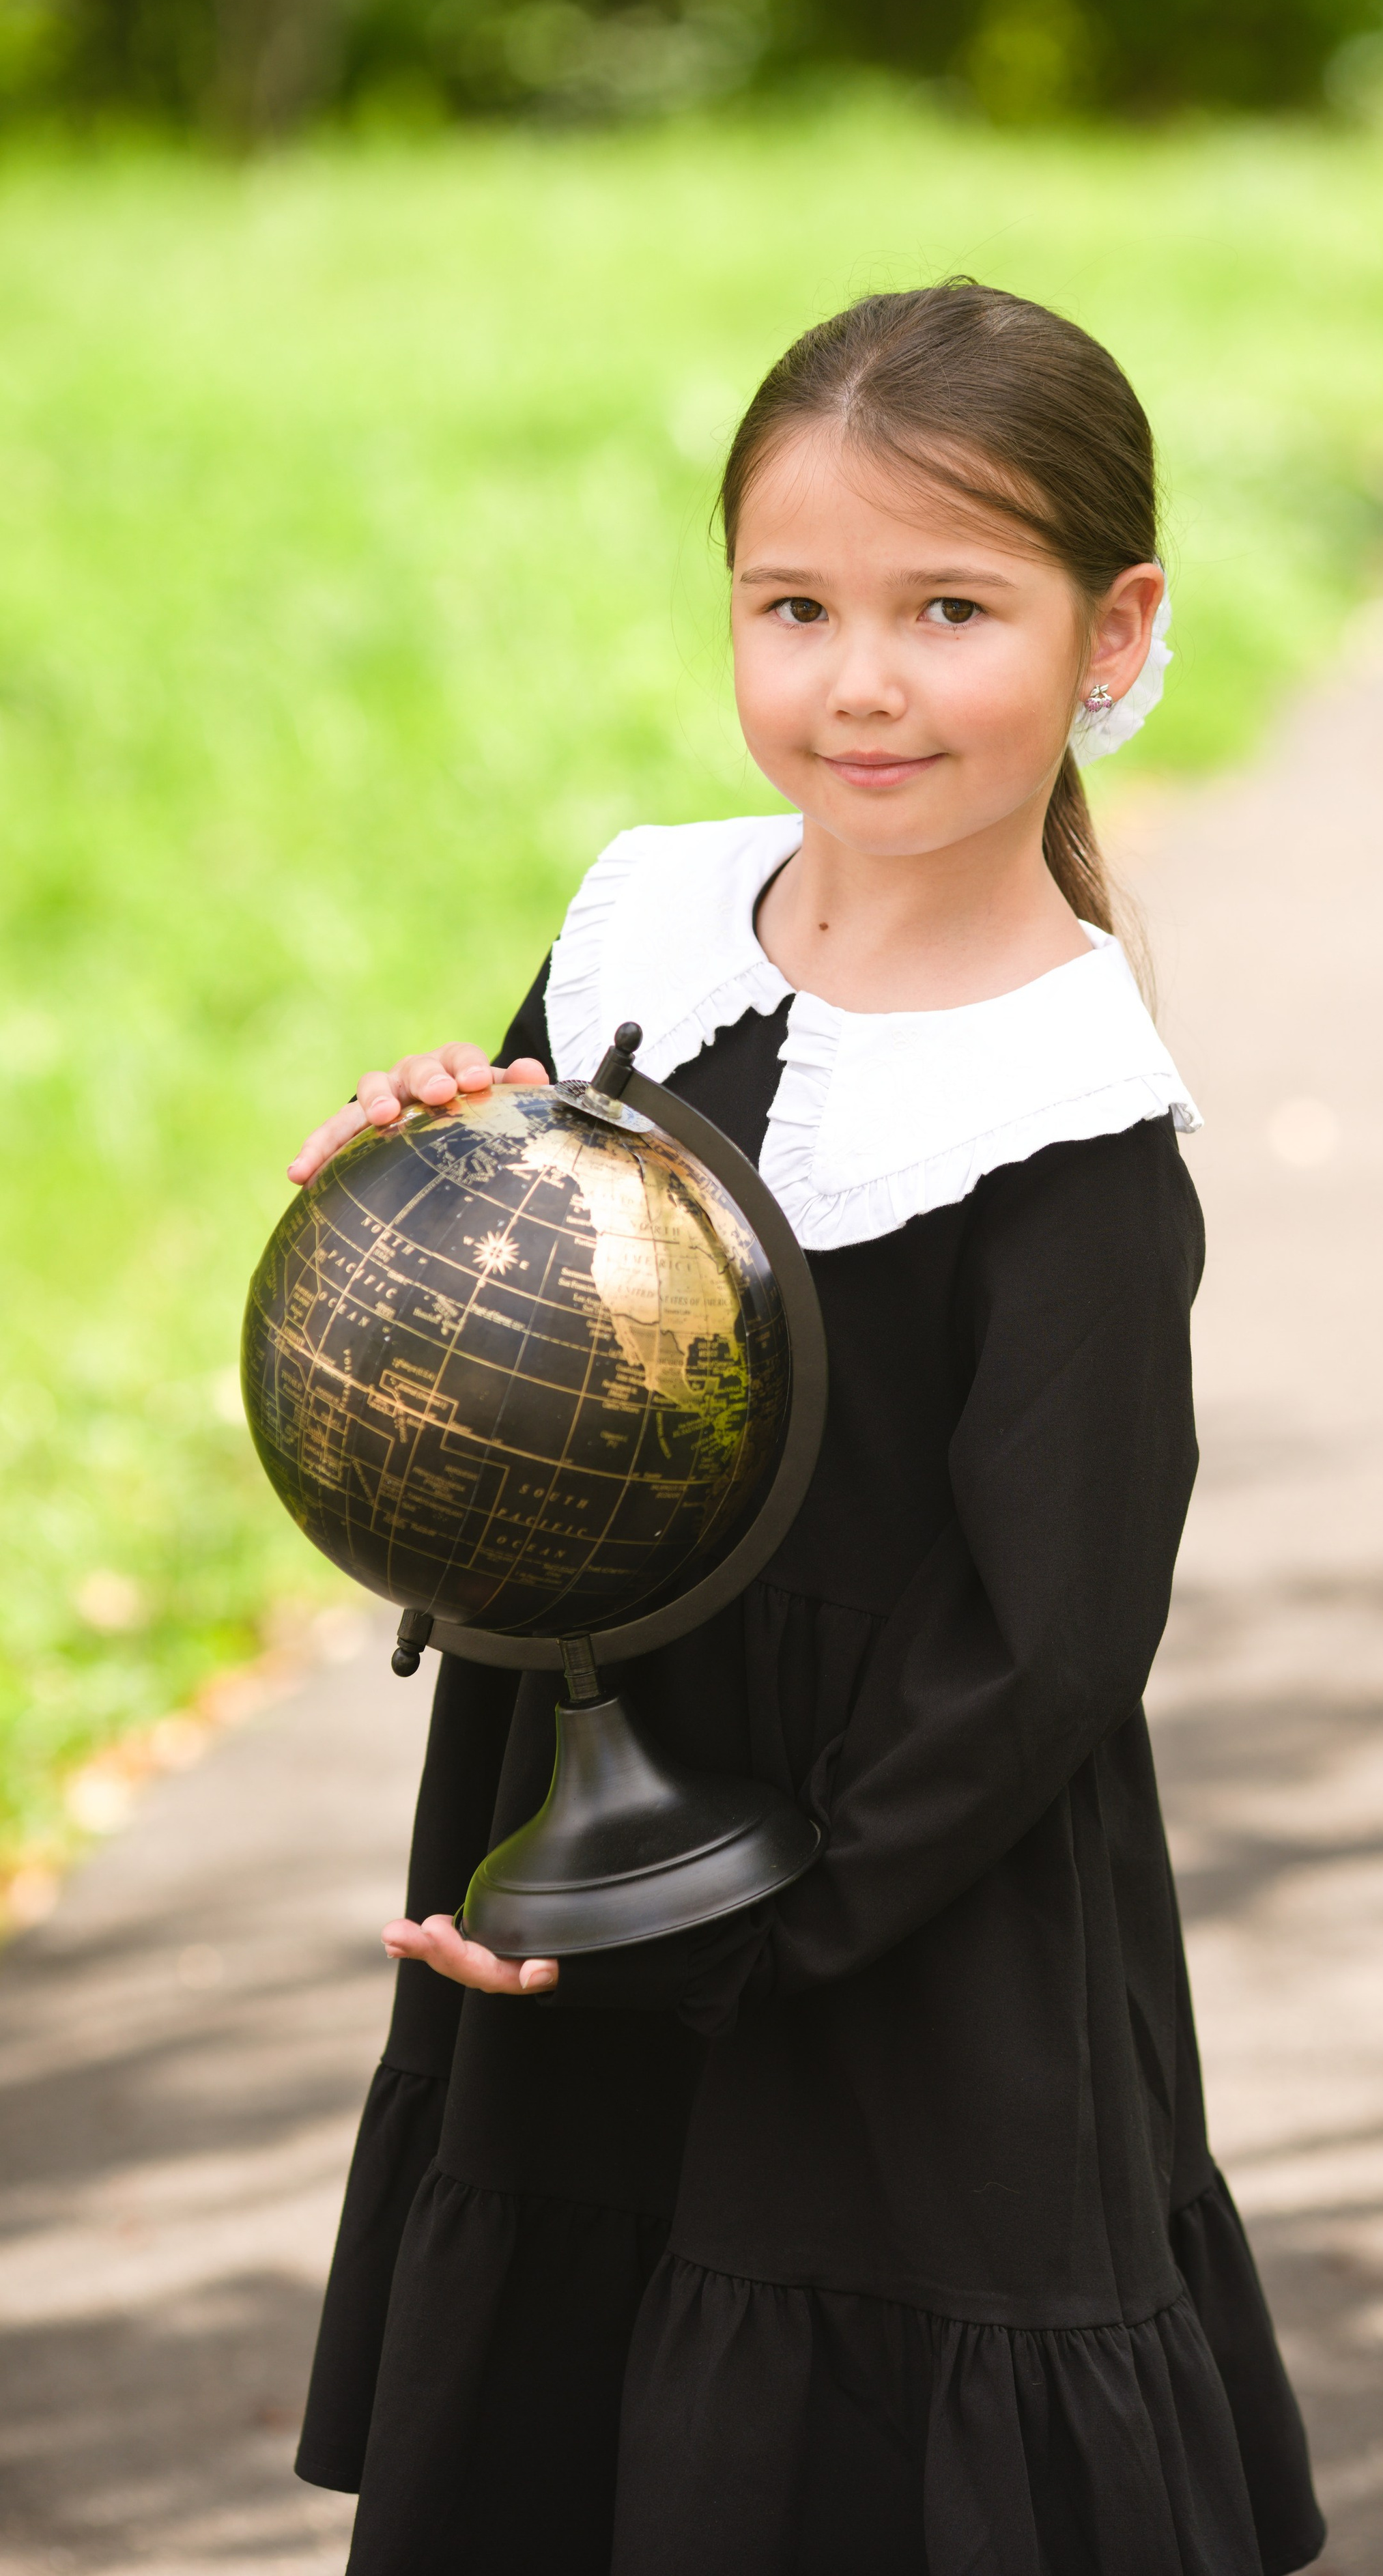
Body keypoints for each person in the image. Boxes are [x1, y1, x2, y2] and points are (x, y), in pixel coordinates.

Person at [287, 281, 1325, 2576]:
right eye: (798, 606)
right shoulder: (653, 916)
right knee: (583, 2419)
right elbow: (534, 1309)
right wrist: (434, 1165)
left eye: (951, 608)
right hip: (594, 1796)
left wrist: (762, 1929)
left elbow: (1054, 1642)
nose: (861, 681)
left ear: (1112, 631)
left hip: (882, 1924)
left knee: (839, 2478)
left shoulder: (1068, 1124)